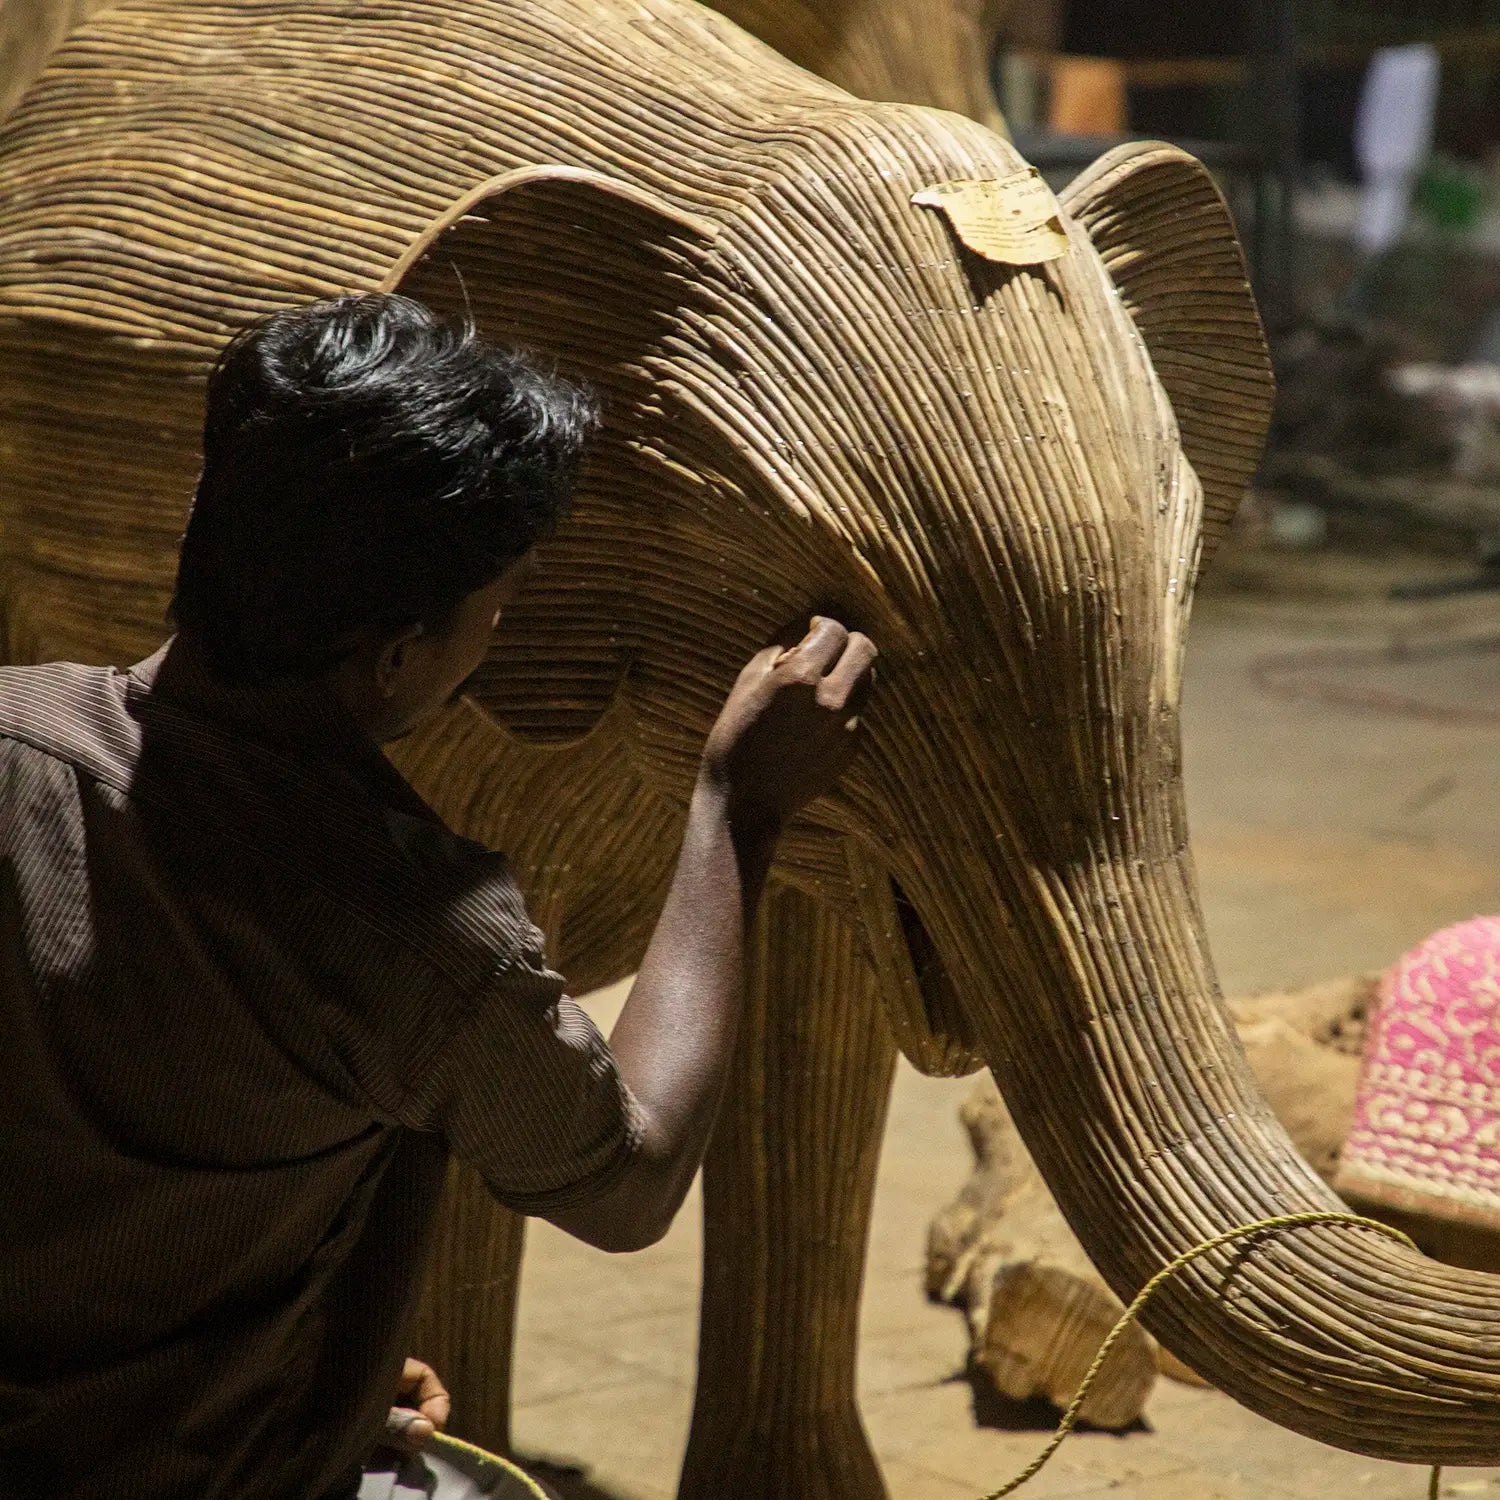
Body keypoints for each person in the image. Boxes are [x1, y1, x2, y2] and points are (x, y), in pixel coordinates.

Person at [0, 293, 877, 1500]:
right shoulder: (414, 931)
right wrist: (738, 808)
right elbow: (630, 1184)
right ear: (400, 652)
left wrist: (325, 1361)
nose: (493, 637)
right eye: (497, 606)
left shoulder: (14, 732)